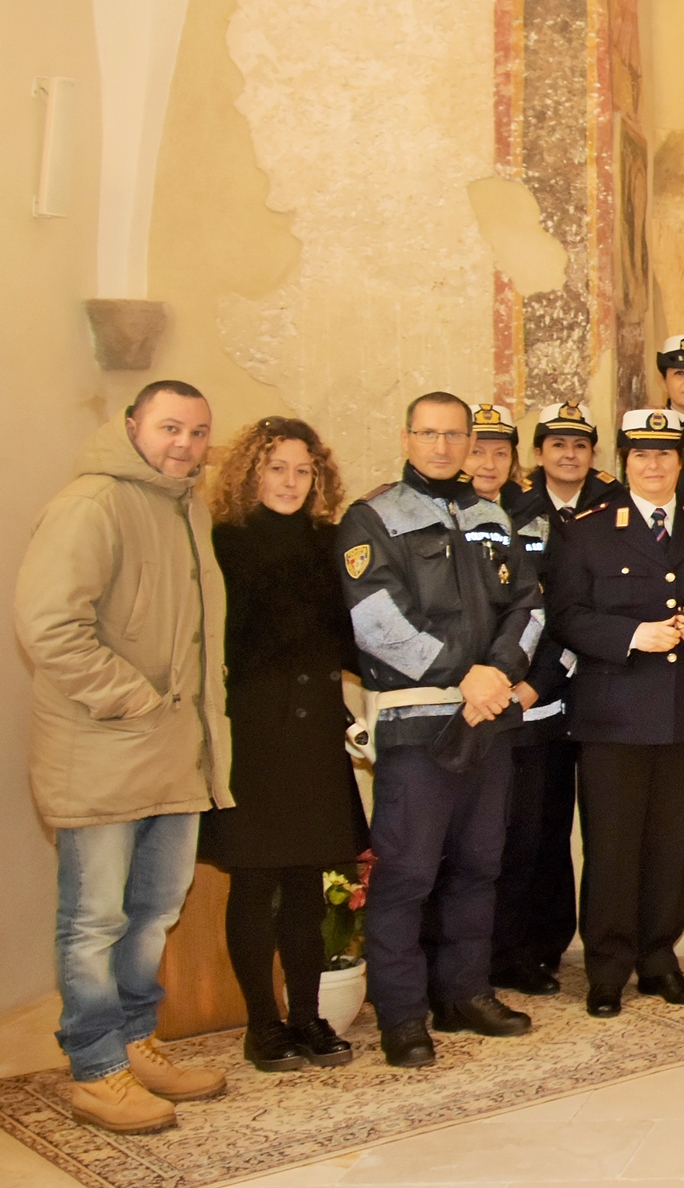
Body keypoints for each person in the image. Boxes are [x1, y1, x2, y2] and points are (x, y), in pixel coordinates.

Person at [17, 380, 232, 1129]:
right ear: (134, 425)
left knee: (153, 914)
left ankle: (136, 1042)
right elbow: (49, 627)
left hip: (175, 759)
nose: (185, 444)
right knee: (94, 921)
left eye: (199, 432)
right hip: (103, 755)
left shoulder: (187, 508)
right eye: (171, 427)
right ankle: (95, 1067)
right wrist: (138, 699)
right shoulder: (92, 504)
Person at [337, 391, 543, 1067]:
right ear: (407, 437)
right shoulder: (373, 518)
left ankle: (465, 993)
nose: (444, 447)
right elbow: (376, 622)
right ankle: (401, 1014)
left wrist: (500, 670)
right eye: (429, 434)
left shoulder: (491, 516)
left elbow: (530, 605)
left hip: (490, 722)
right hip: (418, 723)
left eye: (455, 435)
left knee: (481, 867)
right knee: (408, 873)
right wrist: (468, 675)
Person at [548, 408, 684, 1018]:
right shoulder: (587, 530)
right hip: (614, 715)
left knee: (670, 843)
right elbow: (565, 615)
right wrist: (630, 636)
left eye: (666, 454)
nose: (654, 465)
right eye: (642, 455)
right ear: (624, 462)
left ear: (682, 461)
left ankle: (658, 958)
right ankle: (607, 966)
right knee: (613, 844)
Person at [202, 416, 363, 1072]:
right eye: (277, 468)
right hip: (254, 732)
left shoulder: (334, 543)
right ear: (250, 473)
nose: (291, 481)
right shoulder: (223, 544)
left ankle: (308, 1018)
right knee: (256, 882)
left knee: (312, 884)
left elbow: (354, 635)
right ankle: (262, 1025)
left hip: (318, 730)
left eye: (304, 470)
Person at [492, 402, 622, 998]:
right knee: (533, 831)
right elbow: (526, 610)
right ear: (538, 453)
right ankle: (527, 950)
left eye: (580, 444)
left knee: (596, 830)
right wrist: (533, 681)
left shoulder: (615, 510)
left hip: (597, 690)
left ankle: (566, 938)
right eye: (557, 444)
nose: (569, 454)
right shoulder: (512, 514)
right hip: (530, 698)